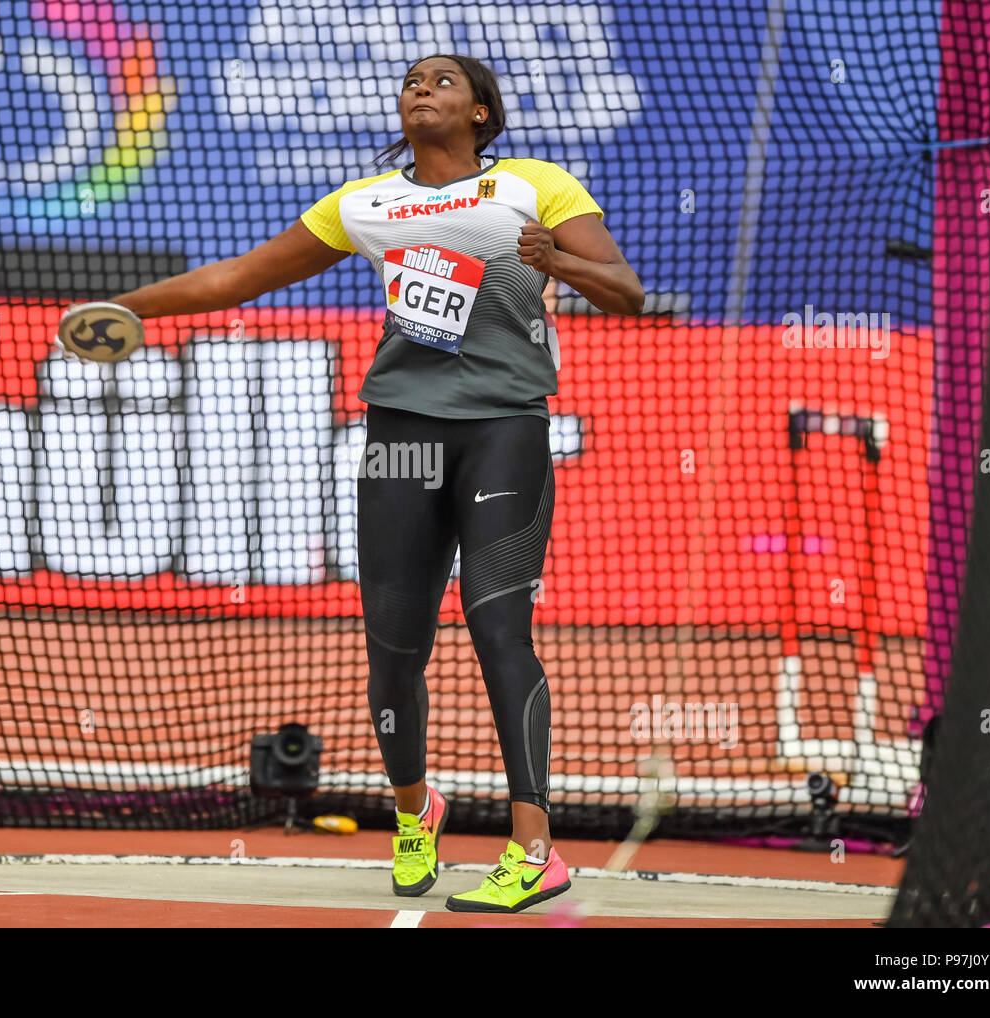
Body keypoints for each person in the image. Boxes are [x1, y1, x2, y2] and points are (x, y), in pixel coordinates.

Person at [109, 53, 644, 913]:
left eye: (441, 82)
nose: (420, 91)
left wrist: (558, 261)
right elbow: (238, 278)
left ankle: (534, 849)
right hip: (400, 433)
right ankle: (413, 811)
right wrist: (129, 308)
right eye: (410, 84)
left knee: (498, 628)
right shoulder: (365, 203)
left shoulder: (536, 185)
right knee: (394, 644)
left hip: (504, 427)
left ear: (480, 113)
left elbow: (628, 291)